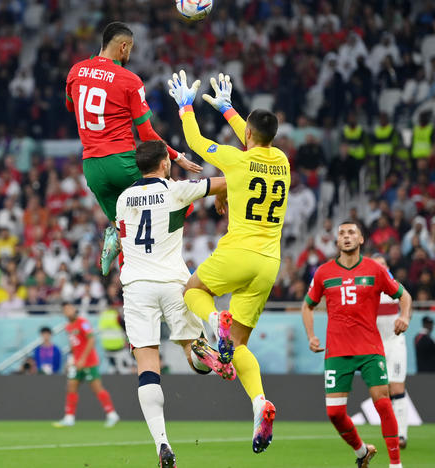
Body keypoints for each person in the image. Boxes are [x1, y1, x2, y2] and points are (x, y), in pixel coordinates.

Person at [169, 71, 290, 453]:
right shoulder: (283, 161)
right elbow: (256, 140)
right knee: (237, 346)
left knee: (193, 290)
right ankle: (260, 404)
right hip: (269, 264)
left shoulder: (237, 161)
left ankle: (212, 321)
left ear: (249, 136)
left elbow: (194, 141)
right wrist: (229, 110)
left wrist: (186, 106)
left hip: (238, 252)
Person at [116, 140, 233, 467]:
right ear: (165, 163)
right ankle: (207, 345)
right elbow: (227, 180)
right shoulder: (176, 189)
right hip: (172, 282)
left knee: (147, 366)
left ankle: (162, 444)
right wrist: (219, 192)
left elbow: (118, 233)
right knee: (190, 348)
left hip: (137, 285)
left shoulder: (124, 199)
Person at [65, 22, 202, 275]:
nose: (130, 56)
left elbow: (71, 107)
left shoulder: (75, 71)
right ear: (123, 46)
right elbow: (147, 134)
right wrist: (177, 157)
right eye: (130, 50)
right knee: (181, 202)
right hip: (123, 163)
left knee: (127, 228)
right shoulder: (129, 80)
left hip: (92, 168)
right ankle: (167, 264)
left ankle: (116, 241)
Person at [301, 222, 412, 468]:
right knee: (335, 414)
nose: (346, 236)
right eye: (342, 233)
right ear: (337, 241)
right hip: (337, 352)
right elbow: (307, 305)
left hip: (370, 348)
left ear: (361, 239)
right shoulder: (323, 272)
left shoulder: (375, 269)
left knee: (382, 401)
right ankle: (362, 451)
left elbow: (404, 296)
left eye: (351, 232)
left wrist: (404, 316)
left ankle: (396, 464)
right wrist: (311, 335)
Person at [53, 303, 119, 428]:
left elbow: (91, 339)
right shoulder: (68, 327)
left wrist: (83, 359)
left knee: (97, 388)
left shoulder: (82, 322)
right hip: (77, 363)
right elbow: (73, 345)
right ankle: (69, 417)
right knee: (71, 386)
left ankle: (112, 414)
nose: (67, 311)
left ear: (74, 310)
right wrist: (71, 360)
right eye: (65, 310)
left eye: (69, 308)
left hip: (88, 362)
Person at [373, 254, 409, 449]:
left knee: (396, 388)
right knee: (383, 391)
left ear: (387, 267)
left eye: (382, 265)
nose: (379, 268)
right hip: (376, 347)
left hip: (395, 343)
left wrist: (405, 316)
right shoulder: (366, 290)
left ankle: (401, 435)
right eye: (375, 265)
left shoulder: (393, 286)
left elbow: (406, 300)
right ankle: (391, 431)